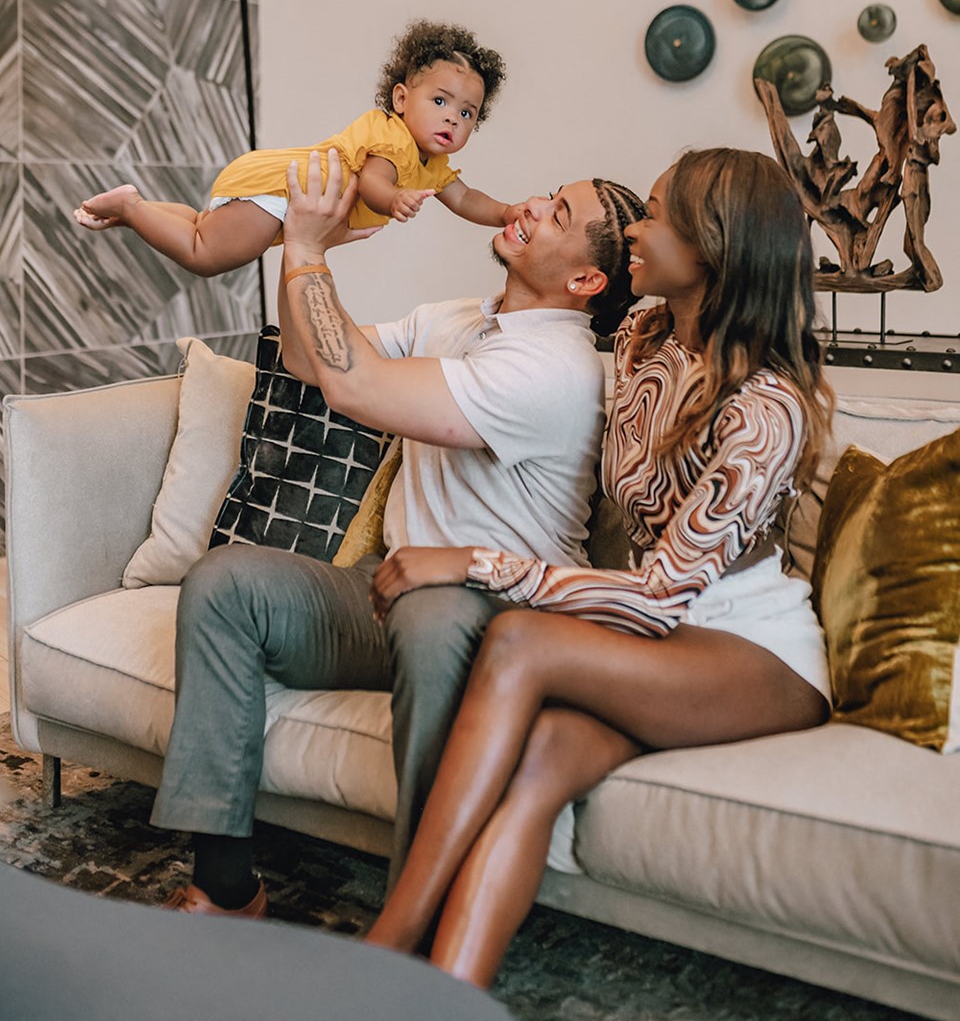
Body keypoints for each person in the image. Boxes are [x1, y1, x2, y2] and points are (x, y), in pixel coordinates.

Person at [364, 147, 837, 987]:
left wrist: (473, 560)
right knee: (542, 761)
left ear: (713, 248)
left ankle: (383, 958)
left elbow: (660, 595)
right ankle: (441, 997)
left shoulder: (770, 409)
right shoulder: (643, 339)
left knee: (518, 643)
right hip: (660, 639)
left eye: (654, 214)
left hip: (748, 650)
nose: (634, 233)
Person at [150, 148, 646, 916]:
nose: (530, 207)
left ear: (587, 282)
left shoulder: (555, 368)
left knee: (434, 611)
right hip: (387, 586)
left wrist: (311, 250)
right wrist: (294, 240)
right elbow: (306, 361)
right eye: (546, 194)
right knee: (225, 584)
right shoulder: (456, 319)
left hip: (501, 608)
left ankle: (425, 913)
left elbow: (356, 385)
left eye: (559, 215)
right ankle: (225, 889)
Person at [73, 19, 526, 275]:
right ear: (402, 98)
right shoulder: (392, 137)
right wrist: (395, 199)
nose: (453, 116)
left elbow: (465, 199)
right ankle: (133, 208)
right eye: (440, 100)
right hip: (282, 189)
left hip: (278, 189)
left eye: (467, 113)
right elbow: (373, 183)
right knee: (205, 255)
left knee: (199, 225)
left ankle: (133, 211)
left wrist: (506, 212)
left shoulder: (434, 164)